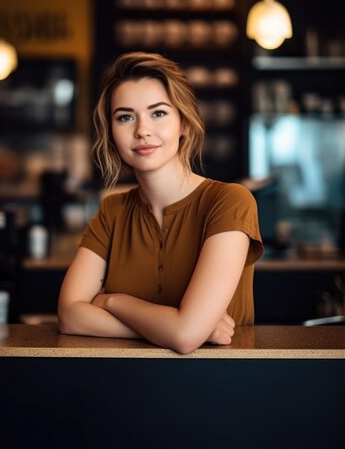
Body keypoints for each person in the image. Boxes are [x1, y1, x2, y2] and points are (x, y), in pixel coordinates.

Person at [58, 52, 263, 354]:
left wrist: (110, 301)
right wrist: (176, 328)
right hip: (130, 386)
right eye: (125, 117)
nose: (142, 130)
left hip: (222, 388)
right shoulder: (112, 211)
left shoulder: (230, 201)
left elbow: (185, 336)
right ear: (111, 134)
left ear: (184, 123)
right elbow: (69, 316)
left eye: (158, 113)